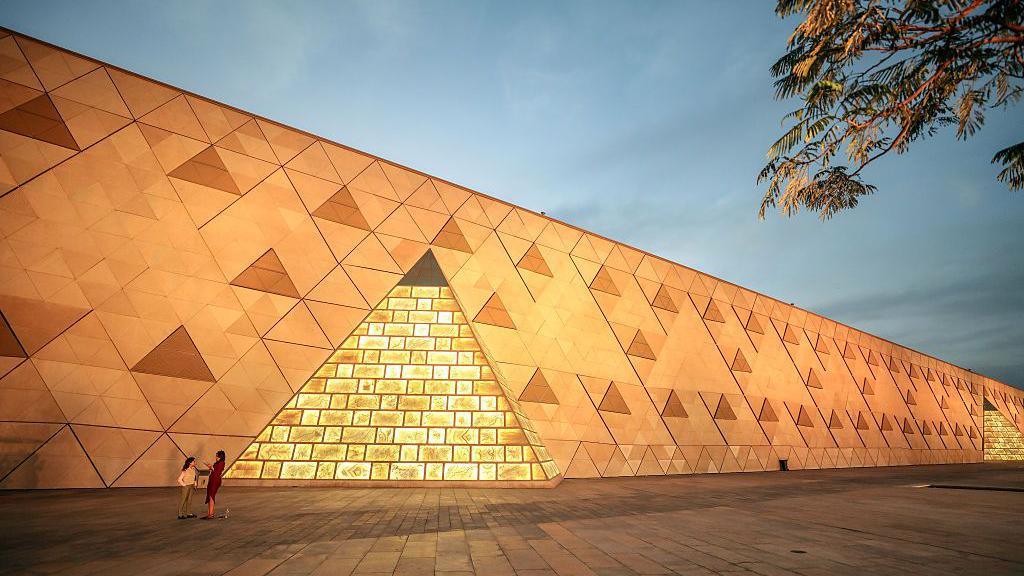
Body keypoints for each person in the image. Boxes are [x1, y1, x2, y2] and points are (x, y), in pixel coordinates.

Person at [202, 450, 226, 520]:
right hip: (212, 479)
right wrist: (210, 467)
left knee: (211, 495)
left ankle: (211, 514)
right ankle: (209, 513)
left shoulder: (221, 463)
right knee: (210, 495)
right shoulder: (217, 463)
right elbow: (214, 470)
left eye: (217, 455)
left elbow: (217, 472)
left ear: (220, 456)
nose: (216, 457)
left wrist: (211, 467)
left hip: (215, 480)